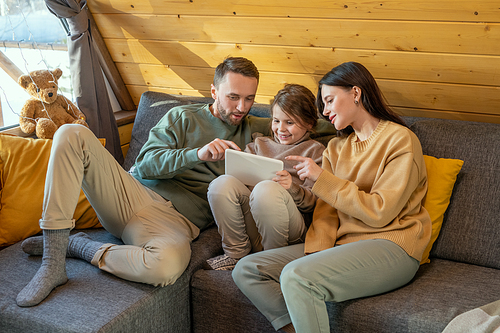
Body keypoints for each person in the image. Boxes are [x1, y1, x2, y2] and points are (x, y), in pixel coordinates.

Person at [16, 56, 336, 308]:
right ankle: (53, 260)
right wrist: (197, 154)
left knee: (166, 268)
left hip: (177, 223)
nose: (241, 107)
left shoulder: (259, 128)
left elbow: (301, 122)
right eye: (233, 97)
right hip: (133, 195)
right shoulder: (183, 117)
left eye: (250, 99)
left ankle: (81, 246)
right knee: (70, 133)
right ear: (213, 92)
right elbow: (146, 163)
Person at [232, 62, 432, 333]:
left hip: (391, 246)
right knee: (247, 270)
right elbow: (325, 211)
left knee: (296, 276)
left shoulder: (400, 140)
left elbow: (380, 211)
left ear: (356, 93)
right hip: (342, 245)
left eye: (329, 100)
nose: (325, 111)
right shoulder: (336, 148)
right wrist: (317, 252)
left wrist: (321, 179)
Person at [205, 84, 326, 271]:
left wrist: (291, 188)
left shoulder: (315, 151)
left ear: (309, 123)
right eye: (276, 121)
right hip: (254, 219)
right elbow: (236, 185)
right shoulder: (259, 144)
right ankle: (235, 254)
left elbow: (314, 204)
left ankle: (273, 261)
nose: (281, 129)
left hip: (291, 229)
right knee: (220, 184)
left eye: (290, 122)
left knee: (266, 189)